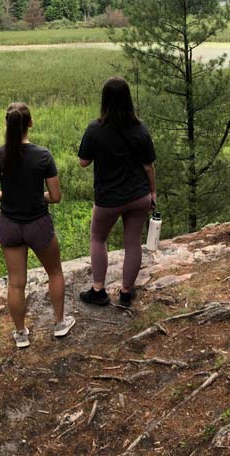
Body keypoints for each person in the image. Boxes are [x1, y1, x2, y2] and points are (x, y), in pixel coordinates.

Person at [0, 102, 76, 348]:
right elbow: (55, 197)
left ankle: (21, 334)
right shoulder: (43, 156)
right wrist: (36, 197)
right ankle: (59, 324)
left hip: (9, 225)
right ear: (30, 123)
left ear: (7, 125)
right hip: (38, 224)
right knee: (54, 272)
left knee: (16, 282)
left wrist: (9, 196)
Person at [78, 77, 157, 307]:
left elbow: (83, 162)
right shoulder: (140, 129)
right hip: (139, 196)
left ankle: (99, 290)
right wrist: (153, 193)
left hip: (108, 199)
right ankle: (125, 293)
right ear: (128, 100)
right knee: (132, 242)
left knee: (98, 238)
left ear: (105, 100)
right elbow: (149, 167)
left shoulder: (95, 129)